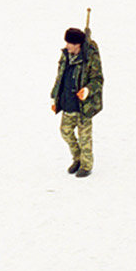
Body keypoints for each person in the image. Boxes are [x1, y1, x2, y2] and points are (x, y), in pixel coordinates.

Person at [50, 27, 104, 177]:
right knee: (65, 131)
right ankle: (77, 158)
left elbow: (98, 80)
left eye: (70, 43)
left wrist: (87, 90)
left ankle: (86, 165)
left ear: (78, 44)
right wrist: (55, 97)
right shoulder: (65, 56)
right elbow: (60, 77)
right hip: (68, 103)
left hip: (83, 106)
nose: (67, 46)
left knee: (84, 137)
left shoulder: (90, 58)